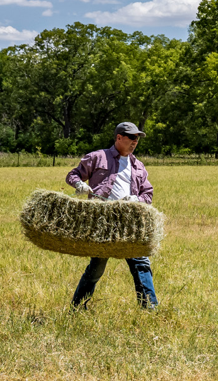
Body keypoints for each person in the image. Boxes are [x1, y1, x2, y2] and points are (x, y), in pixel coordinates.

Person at [65, 122, 158, 309]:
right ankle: (77, 308)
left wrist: (136, 200)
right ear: (119, 137)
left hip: (129, 222)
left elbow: (148, 194)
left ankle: (149, 308)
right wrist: (79, 185)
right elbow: (73, 175)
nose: (135, 141)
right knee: (97, 268)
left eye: (137, 138)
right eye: (131, 137)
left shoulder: (138, 166)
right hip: (103, 222)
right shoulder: (98, 157)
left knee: (141, 263)